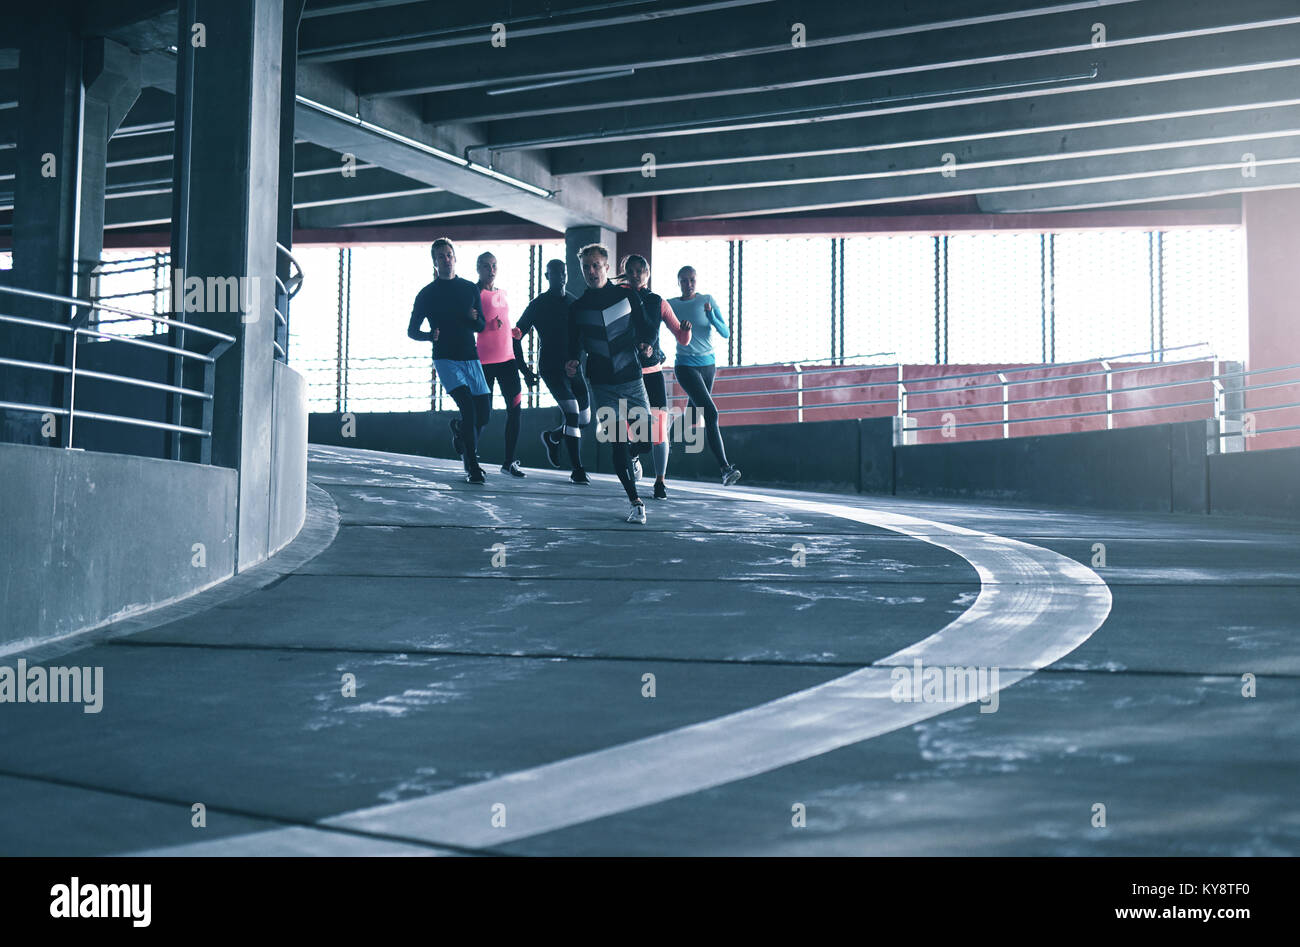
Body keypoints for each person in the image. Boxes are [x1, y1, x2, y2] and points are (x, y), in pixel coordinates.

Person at [566, 244, 654, 523]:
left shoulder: (626, 296)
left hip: (631, 378)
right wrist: (572, 361)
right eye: (586, 267)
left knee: (646, 441)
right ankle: (635, 501)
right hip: (602, 383)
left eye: (595, 265)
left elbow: (648, 328)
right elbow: (573, 344)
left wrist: (647, 345)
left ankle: (633, 455)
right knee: (617, 442)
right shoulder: (578, 307)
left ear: (606, 267)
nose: (591, 271)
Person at [407, 237, 489, 484]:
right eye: (440, 256)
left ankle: (460, 430)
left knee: (483, 414)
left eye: (449, 255)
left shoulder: (469, 289)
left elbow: (481, 325)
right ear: (434, 262)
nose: (446, 259)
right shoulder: (427, 294)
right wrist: (428, 336)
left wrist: (473, 319)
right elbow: (412, 330)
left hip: (470, 357)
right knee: (468, 407)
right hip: (445, 358)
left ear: (455, 258)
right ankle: (473, 467)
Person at [620, 254, 691, 499]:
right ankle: (635, 452)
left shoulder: (656, 301)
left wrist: (686, 332)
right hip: (626, 374)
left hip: (652, 374)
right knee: (631, 430)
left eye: (642, 269)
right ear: (625, 271)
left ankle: (660, 481)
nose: (637, 273)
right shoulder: (617, 297)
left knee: (660, 432)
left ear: (648, 273)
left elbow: (681, 338)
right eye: (632, 269)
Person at [514, 258, 591, 484]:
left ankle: (553, 436)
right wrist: (525, 371)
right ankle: (577, 470)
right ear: (547, 277)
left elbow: (585, 337)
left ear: (567, 275)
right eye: (555, 273)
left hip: (574, 368)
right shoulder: (538, 305)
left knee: (584, 419)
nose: (560, 277)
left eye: (563, 273)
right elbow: (516, 336)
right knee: (573, 413)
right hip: (550, 367)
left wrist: (578, 361)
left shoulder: (575, 303)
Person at [668, 266, 742, 486]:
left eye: (691, 280)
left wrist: (711, 315)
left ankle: (666, 438)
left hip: (708, 366)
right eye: (684, 281)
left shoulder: (707, 300)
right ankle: (725, 469)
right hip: (685, 366)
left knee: (692, 417)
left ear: (696, 280)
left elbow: (726, 332)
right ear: (678, 282)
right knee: (710, 412)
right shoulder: (672, 305)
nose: (688, 284)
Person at [474, 251, 533, 478]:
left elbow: (501, 325)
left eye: (494, 265)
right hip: (485, 362)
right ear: (478, 268)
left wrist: (512, 332)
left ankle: (509, 462)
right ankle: (470, 457)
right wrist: (484, 324)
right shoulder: (474, 293)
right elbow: (471, 324)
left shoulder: (503, 293)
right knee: (483, 415)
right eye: (487, 266)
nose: (491, 270)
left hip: (508, 359)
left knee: (515, 411)